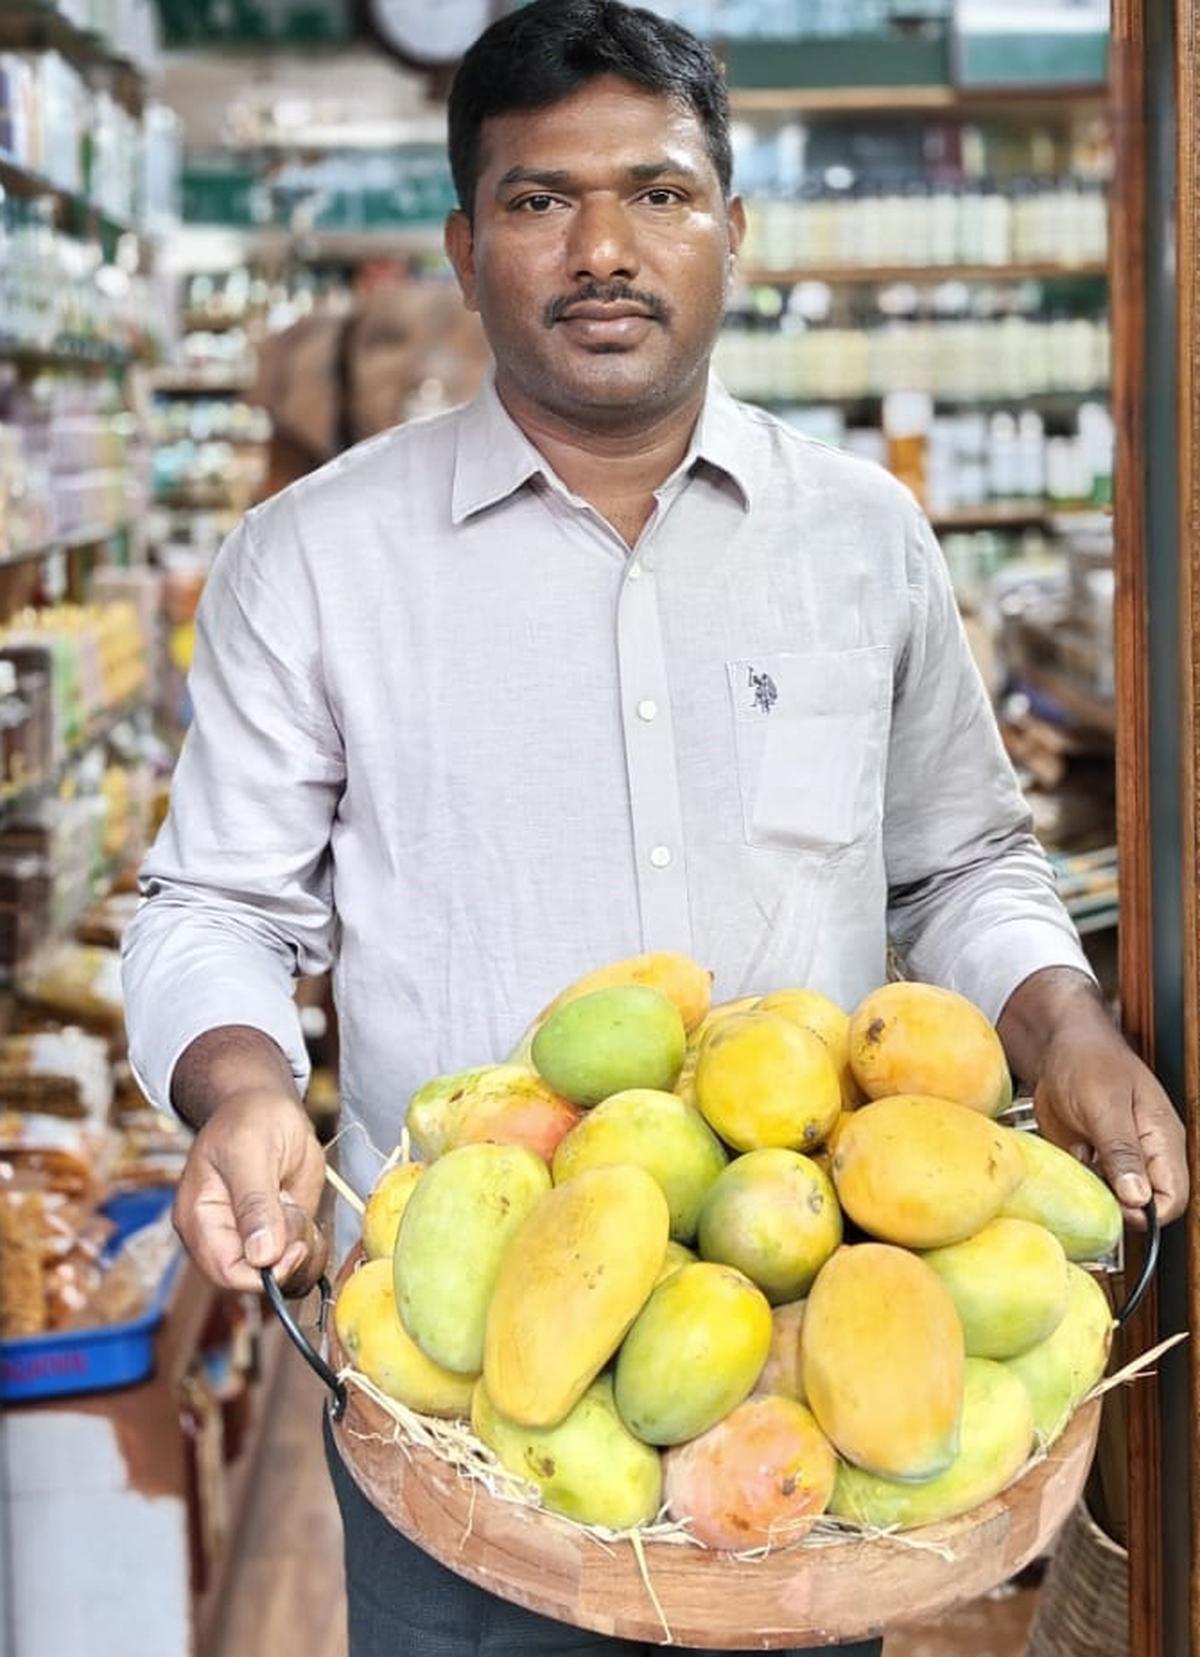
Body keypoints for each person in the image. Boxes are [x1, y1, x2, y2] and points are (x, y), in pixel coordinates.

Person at [121, 3, 1187, 1654]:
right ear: (467, 251)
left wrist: (1065, 1023)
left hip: (793, 1369)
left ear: (733, 229)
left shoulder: (864, 536)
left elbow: (963, 859)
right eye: (543, 202)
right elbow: (214, 911)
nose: (604, 247)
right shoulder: (317, 559)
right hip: (468, 1409)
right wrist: (246, 1087)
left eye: (660, 193)